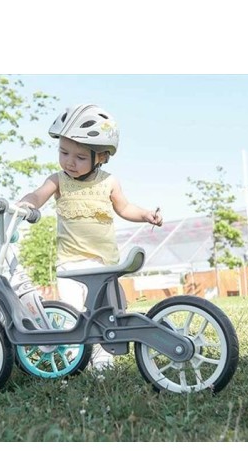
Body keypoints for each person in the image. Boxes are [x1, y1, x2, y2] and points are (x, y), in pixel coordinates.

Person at [19, 103, 163, 369]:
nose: (69, 162)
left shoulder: (109, 182)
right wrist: (25, 204)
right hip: (70, 265)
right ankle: (75, 358)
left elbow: (125, 208)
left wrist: (145, 214)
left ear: (102, 157)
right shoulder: (58, 180)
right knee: (74, 313)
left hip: (103, 263)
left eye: (80, 157)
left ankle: (103, 358)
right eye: (63, 152)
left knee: (105, 313)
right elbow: (37, 195)